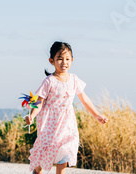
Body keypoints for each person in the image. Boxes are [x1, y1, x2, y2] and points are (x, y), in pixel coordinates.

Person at [25, 42, 108, 174]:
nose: (64, 62)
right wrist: (32, 116)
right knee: (45, 151)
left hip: (67, 123)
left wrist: (97, 115)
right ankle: (38, 170)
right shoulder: (49, 81)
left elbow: (84, 99)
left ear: (72, 60)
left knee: (65, 149)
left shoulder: (74, 79)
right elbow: (39, 102)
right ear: (51, 61)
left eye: (67, 59)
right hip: (49, 124)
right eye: (60, 59)